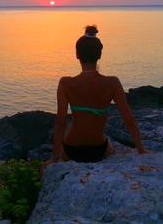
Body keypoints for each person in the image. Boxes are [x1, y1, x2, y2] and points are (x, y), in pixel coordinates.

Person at [42, 25, 146, 170]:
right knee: (111, 145)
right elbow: (129, 120)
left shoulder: (65, 83)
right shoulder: (112, 83)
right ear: (99, 55)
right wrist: (141, 150)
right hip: (98, 149)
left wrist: (55, 157)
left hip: (71, 149)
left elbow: (60, 122)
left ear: (77, 54)